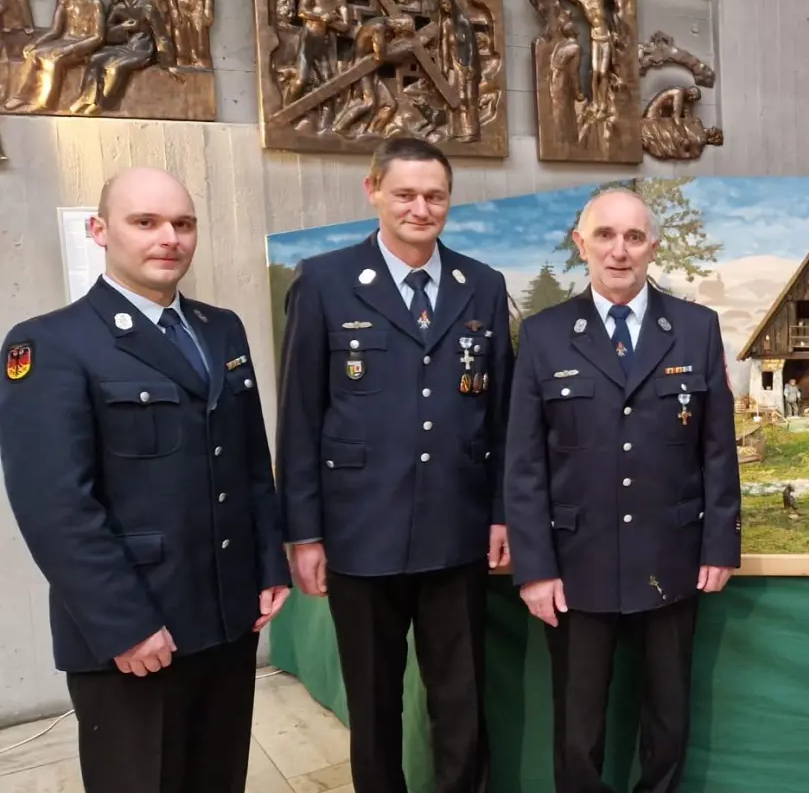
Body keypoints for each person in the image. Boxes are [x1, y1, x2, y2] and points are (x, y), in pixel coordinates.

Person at [0, 167, 290, 793]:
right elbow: (56, 507)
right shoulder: (50, 343)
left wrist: (268, 565)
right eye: (146, 222)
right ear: (100, 231)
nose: (170, 238)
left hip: (225, 616)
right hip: (135, 629)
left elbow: (247, 464)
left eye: (183, 224)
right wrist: (123, 624)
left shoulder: (221, 329)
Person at [275, 136, 512, 793]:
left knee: (461, 701)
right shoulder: (324, 281)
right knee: (376, 704)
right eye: (405, 193)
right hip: (360, 535)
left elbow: (502, 418)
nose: (420, 207)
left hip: (456, 532)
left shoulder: (482, 286)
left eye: (434, 195)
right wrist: (303, 532)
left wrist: (499, 514)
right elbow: (298, 418)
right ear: (373, 191)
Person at [503, 187, 740, 793]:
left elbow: (716, 449)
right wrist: (533, 568)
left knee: (668, 718)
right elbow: (524, 463)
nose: (619, 250)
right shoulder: (545, 335)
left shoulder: (694, 328)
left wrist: (719, 544)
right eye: (604, 235)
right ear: (581, 244)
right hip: (576, 565)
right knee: (578, 729)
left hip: (671, 555)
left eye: (634, 237)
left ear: (652, 246)